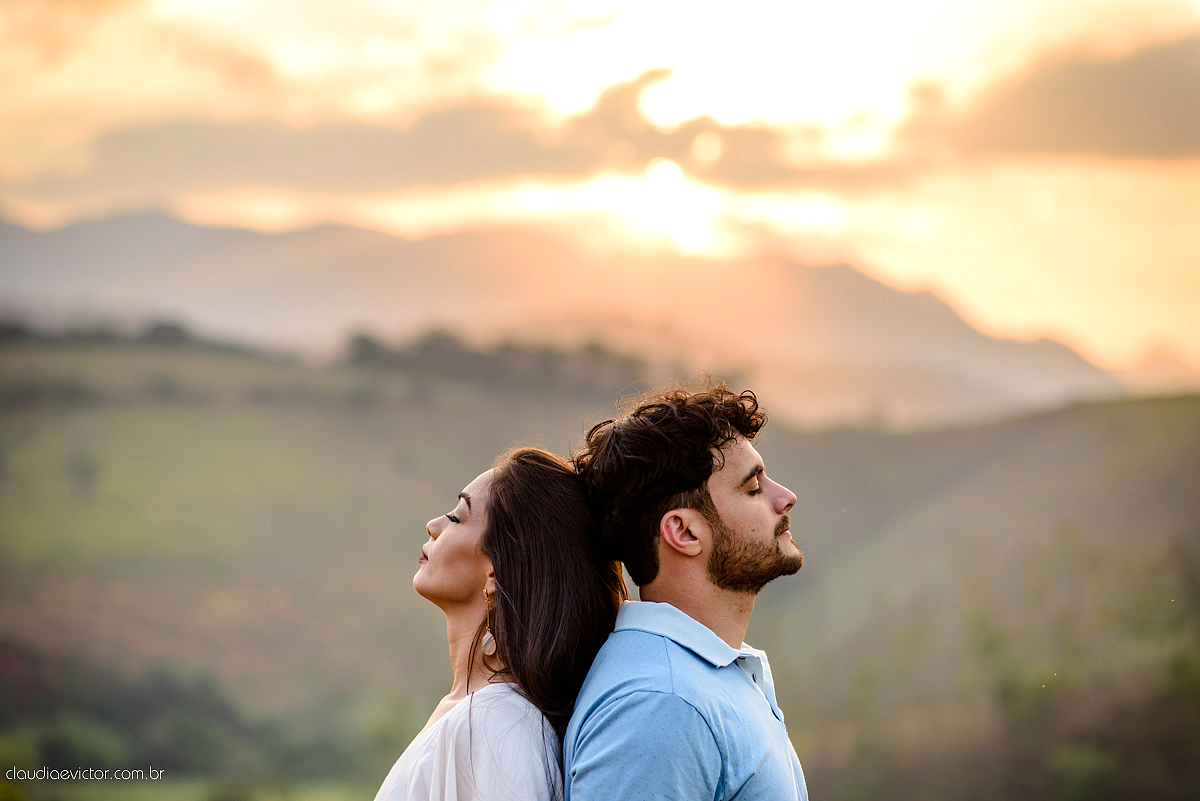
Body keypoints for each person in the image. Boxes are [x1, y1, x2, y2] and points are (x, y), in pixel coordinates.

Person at [563, 382, 809, 801]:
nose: (786, 498)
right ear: (683, 531)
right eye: (753, 488)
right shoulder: (661, 704)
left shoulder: (695, 681)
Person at [374, 447, 627, 801]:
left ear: (495, 572)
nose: (433, 526)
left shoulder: (498, 724)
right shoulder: (477, 712)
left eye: (456, 517)